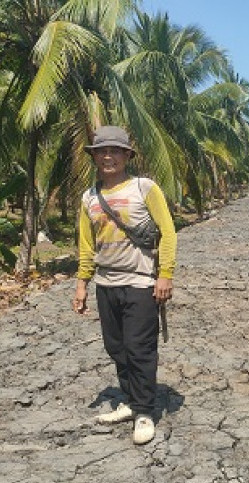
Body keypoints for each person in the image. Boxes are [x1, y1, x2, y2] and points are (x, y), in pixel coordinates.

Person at [72, 125, 176, 445]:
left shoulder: (144, 188)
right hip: (106, 283)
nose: (108, 156)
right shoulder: (89, 197)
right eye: (102, 151)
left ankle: (144, 412)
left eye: (115, 151)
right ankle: (130, 402)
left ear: (127, 155)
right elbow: (87, 245)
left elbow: (168, 232)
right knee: (116, 347)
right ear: (94, 157)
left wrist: (165, 274)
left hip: (141, 282)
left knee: (139, 348)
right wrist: (81, 284)